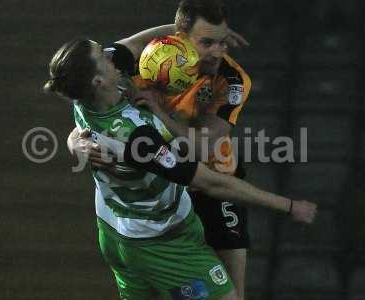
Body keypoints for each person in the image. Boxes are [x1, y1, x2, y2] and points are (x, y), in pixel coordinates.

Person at [43, 38, 316, 300]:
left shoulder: (83, 97)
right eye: (102, 55)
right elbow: (213, 183)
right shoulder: (137, 139)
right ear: (97, 81)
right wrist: (289, 206)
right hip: (160, 244)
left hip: (114, 229)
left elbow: (134, 43)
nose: (110, 53)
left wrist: (182, 32)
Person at [68, 1, 253, 298]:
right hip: (164, 195)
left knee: (233, 292)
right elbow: (85, 100)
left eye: (222, 42)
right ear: (179, 36)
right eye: (207, 42)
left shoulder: (231, 79)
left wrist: (161, 114)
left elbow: (202, 146)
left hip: (213, 182)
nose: (218, 52)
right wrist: (75, 140)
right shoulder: (136, 64)